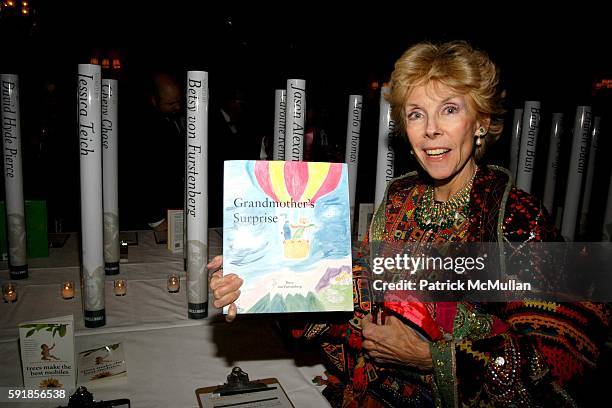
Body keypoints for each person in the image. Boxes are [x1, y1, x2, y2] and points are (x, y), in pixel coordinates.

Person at [209, 41, 610, 407]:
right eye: (417, 114)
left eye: (449, 109)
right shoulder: (400, 201)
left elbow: (563, 356)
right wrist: (261, 280)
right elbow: (347, 300)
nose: (431, 129)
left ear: (481, 121)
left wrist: (430, 357)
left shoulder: (514, 216)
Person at [139, 72, 186, 231]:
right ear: (154, 100)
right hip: (159, 218)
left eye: (179, 101)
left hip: (177, 209)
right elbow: (143, 176)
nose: (178, 107)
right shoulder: (145, 129)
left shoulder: (178, 118)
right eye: (171, 103)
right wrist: (156, 220)